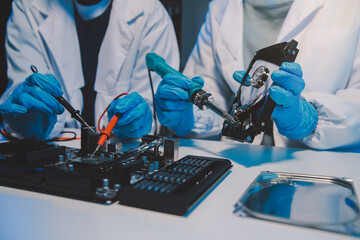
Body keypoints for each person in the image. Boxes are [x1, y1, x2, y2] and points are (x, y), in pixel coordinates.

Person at [155, 0, 360, 150]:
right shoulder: (220, 7)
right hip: (239, 159)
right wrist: (190, 113)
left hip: (319, 164)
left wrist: (310, 118)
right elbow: (210, 84)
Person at [0, 0, 179, 140]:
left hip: (122, 152)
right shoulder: (28, 7)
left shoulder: (150, 12)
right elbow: (23, 91)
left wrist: (140, 119)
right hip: (52, 149)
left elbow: (152, 105)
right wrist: (29, 114)